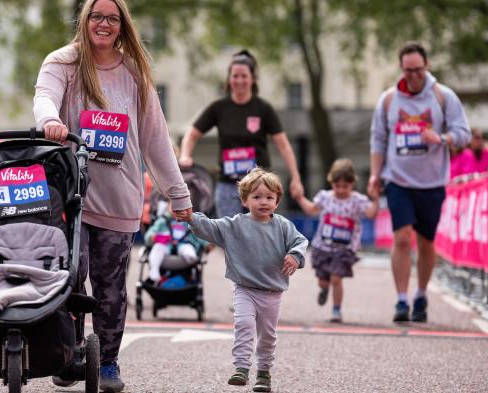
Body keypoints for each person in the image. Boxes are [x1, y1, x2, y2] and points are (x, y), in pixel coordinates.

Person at [32, 1, 192, 391]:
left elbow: (155, 138)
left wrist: (178, 193)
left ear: (122, 25)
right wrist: (50, 120)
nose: (103, 24)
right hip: (71, 196)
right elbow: (44, 97)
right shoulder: (63, 63)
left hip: (120, 197)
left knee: (111, 286)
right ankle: (69, 355)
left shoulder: (134, 71)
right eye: (96, 16)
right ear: (84, 21)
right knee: (71, 277)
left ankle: (107, 362)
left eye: (112, 18)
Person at [368, 42, 471, 322]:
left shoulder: (443, 96)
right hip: (398, 179)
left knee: (426, 242)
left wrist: (442, 138)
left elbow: (464, 133)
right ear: (401, 68)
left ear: (427, 66)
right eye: (407, 70)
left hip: (432, 182)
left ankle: (421, 294)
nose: (413, 75)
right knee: (402, 238)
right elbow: (378, 139)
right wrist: (375, 174)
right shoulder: (389, 100)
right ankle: (401, 300)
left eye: (418, 70)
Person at [183, 168, 308, 393]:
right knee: (244, 324)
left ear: (277, 201)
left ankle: (264, 373)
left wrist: (295, 256)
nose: (263, 202)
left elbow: (300, 241)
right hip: (244, 289)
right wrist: (191, 217)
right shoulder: (234, 225)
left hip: (272, 292)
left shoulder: (282, 225)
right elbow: (210, 227)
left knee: (268, 336)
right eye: (257, 197)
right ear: (244, 200)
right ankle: (241, 368)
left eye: (269, 197)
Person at [178, 50, 304, 218]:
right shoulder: (219, 108)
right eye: (235, 76)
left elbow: (283, 145)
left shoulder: (263, 109)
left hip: (260, 185)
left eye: (244, 76)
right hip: (228, 184)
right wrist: (185, 156)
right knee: (230, 236)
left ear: (252, 79)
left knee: (260, 235)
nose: (239, 80)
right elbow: (192, 134)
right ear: (229, 79)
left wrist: (296, 178)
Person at [294, 159, 379, 323]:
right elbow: (311, 210)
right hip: (323, 247)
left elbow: (370, 214)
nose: (340, 190)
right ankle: (324, 290)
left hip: (344, 249)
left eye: (345, 187)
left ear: (352, 183)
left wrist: (375, 200)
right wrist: (299, 198)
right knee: (323, 281)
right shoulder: (325, 197)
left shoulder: (357, 201)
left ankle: (336, 310)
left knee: (336, 278)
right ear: (330, 182)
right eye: (337, 186)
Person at [143, 201, 208, 282]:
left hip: (184, 244)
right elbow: (150, 232)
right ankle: (154, 271)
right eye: (173, 207)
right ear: (168, 208)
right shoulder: (162, 221)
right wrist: (153, 237)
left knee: (188, 248)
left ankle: (191, 257)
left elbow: (199, 235)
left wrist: (207, 244)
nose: (176, 210)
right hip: (166, 245)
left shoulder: (189, 222)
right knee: (157, 248)